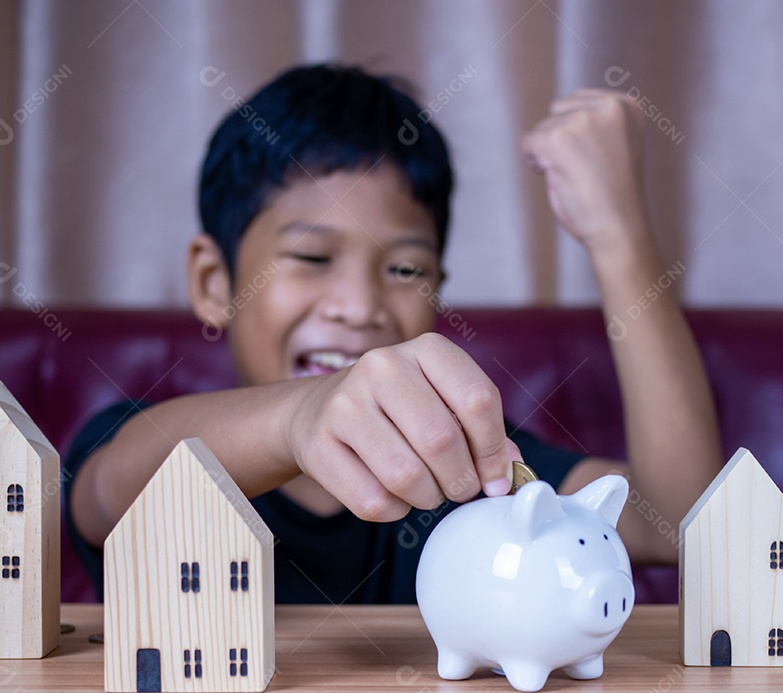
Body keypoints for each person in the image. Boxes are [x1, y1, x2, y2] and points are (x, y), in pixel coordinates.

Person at [64, 64, 720, 603]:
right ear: (214, 282)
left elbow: (677, 522)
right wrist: (301, 416)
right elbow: (107, 491)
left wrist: (618, 234)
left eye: (405, 269)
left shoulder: (466, 462)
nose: (360, 307)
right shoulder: (140, 439)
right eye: (312, 257)